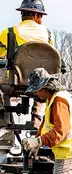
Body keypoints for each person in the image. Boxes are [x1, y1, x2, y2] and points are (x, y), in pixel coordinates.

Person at [0, 0, 55, 129]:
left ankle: (1, 113)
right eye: (41, 16)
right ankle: (37, 117)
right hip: (41, 84)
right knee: (43, 77)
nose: (41, 19)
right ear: (36, 15)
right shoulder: (49, 35)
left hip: (16, 81)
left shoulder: (9, 32)